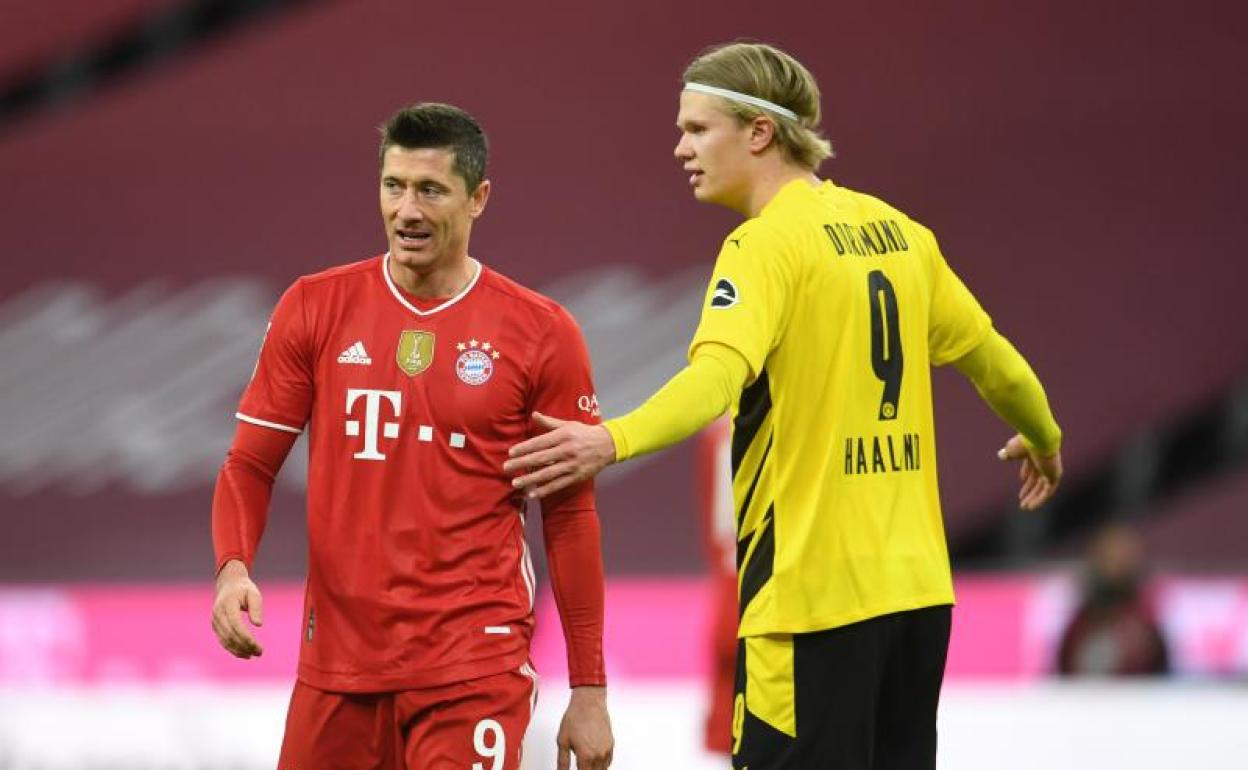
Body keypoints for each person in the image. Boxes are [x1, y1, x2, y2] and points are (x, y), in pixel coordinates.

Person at [504, 42, 1063, 769]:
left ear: (760, 132)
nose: (680, 148)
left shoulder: (763, 247)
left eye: (698, 129)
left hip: (810, 606)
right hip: (919, 600)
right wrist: (1043, 439)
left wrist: (612, 438)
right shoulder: (903, 236)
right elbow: (997, 363)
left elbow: (714, 381)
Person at [210, 103, 613, 770]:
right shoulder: (314, 306)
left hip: (472, 664)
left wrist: (590, 689)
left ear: (479, 198)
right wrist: (231, 571)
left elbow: (569, 517)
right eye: (393, 186)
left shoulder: (542, 334)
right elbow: (249, 465)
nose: (408, 210)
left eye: (431, 190)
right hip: (336, 666)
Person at [1056, 522, 1169, 676]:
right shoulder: (1081, 624)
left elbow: (1161, 673)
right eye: (1111, 556)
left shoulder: (1146, 624)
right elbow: (1064, 670)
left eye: (1125, 555)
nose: (1118, 563)